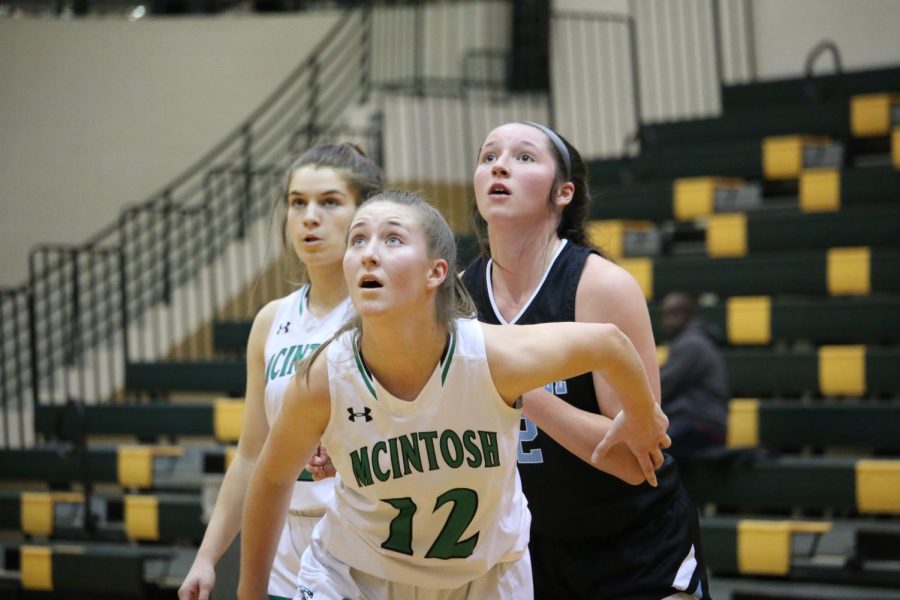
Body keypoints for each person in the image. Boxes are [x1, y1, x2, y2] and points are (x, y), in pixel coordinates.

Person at [237, 190, 670, 600]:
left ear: (436, 272)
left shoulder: (491, 354)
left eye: (392, 239)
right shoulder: (323, 377)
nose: (369, 252)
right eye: (358, 239)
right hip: (356, 577)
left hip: (483, 578)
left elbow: (610, 344)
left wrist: (642, 414)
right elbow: (272, 478)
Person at [462, 121, 711, 599]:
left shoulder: (600, 287)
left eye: (524, 157)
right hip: (529, 554)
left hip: (636, 547)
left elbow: (635, 461)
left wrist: (517, 386)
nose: (499, 164)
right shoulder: (458, 297)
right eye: (488, 155)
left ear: (562, 193)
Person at [178, 143, 383, 600]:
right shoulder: (271, 320)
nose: (310, 216)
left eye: (329, 202)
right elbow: (252, 455)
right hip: (284, 553)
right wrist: (207, 558)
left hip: (363, 547)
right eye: (297, 202)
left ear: (363, 214)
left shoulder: (379, 312)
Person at [659, 292, 730, 461]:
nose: (668, 321)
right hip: (701, 424)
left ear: (689, 316)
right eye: (666, 315)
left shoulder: (692, 344)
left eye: (674, 314)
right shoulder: (695, 340)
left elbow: (662, 387)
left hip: (699, 426)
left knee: (645, 445)